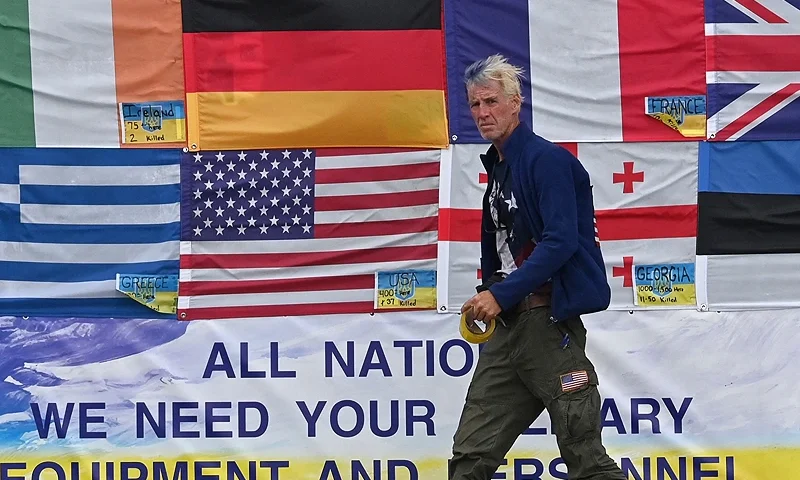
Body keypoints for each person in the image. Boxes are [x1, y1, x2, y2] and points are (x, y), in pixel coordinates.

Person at [448, 54, 626, 480]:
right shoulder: (499, 169)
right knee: (470, 457)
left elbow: (561, 241)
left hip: (547, 325)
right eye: (474, 105)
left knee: (586, 457)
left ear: (515, 102)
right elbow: (503, 249)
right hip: (508, 330)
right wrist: (490, 290)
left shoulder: (546, 160)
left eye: (490, 102)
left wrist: (499, 293)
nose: (482, 113)